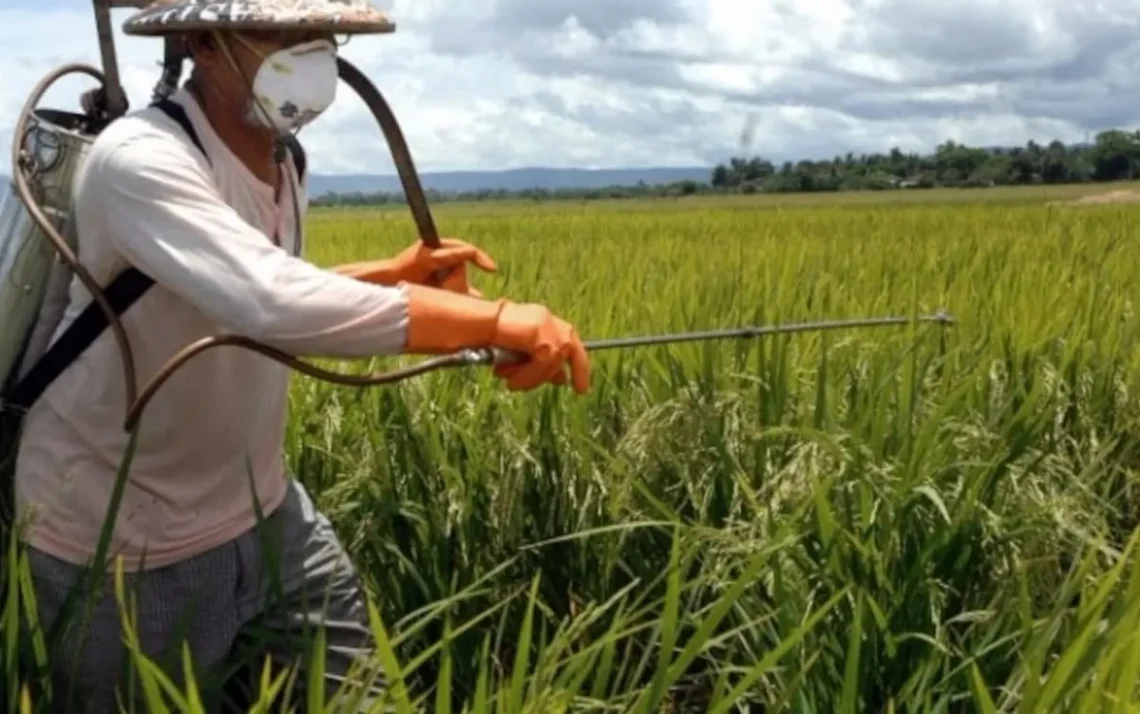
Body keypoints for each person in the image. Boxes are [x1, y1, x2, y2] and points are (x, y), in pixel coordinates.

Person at [13, 0, 590, 711]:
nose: (309, 50)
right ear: (202, 41)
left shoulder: (283, 158)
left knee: (361, 697)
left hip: (265, 511)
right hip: (122, 540)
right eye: (280, 31)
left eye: (319, 32)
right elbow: (270, 300)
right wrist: (491, 320)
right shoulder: (140, 160)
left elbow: (242, 286)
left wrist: (391, 275)